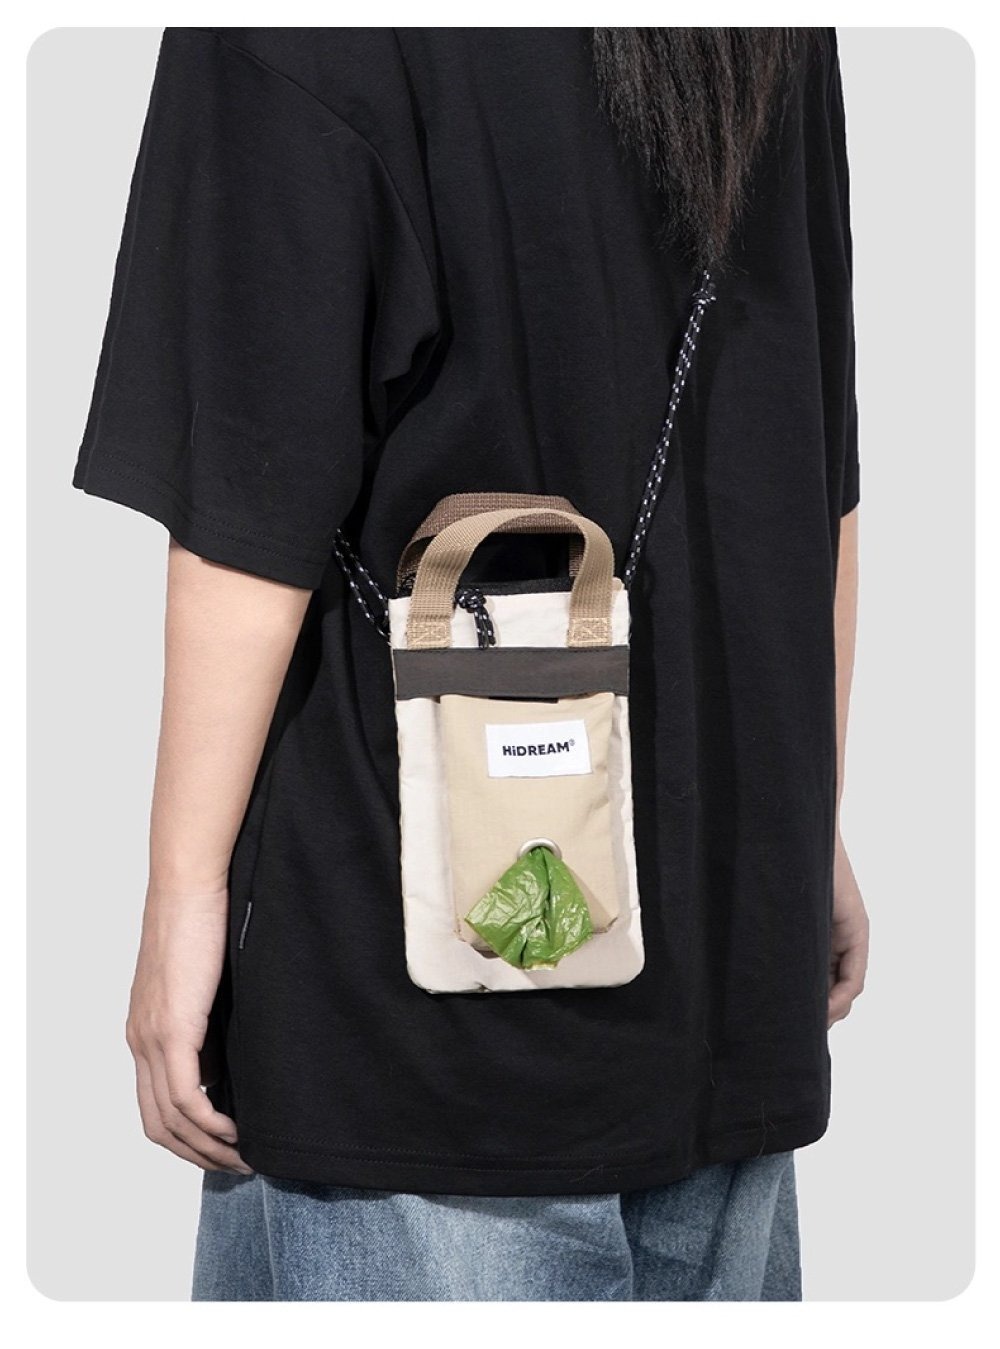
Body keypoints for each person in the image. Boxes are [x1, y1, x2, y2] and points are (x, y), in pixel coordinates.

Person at [71, 27, 868, 1301]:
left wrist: (181, 900)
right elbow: (816, 456)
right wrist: (809, 828)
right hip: (728, 941)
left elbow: (248, 499)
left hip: (409, 1027)